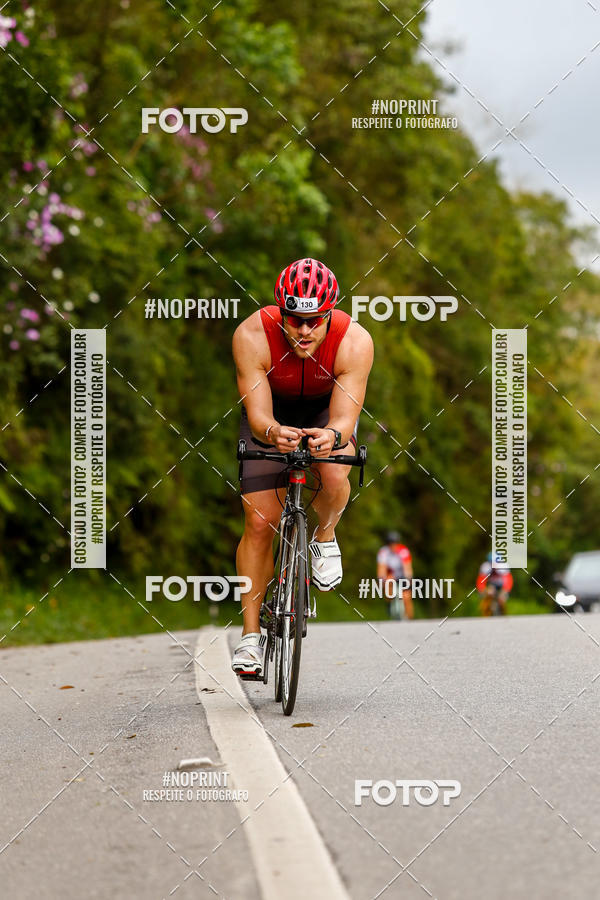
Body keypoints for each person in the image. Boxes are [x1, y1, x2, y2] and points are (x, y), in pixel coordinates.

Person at [230, 258, 374, 676]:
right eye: (294, 320)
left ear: (329, 313)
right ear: (281, 312)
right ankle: (251, 638)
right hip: (271, 412)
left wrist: (333, 434)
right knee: (259, 522)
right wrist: (272, 432)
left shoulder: (355, 341)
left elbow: (345, 418)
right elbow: (257, 415)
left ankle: (325, 538)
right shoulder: (252, 334)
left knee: (332, 471)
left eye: (315, 320)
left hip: (325, 410)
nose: (305, 331)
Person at [376, 531, 414, 619]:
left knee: (406, 597)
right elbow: (381, 569)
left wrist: (408, 580)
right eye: (390, 543)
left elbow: (407, 568)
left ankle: (410, 619)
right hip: (391, 576)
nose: (392, 546)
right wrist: (381, 580)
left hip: (402, 575)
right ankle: (389, 603)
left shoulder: (403, 551)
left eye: (394, 543)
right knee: (387, 583)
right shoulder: (383, 552)